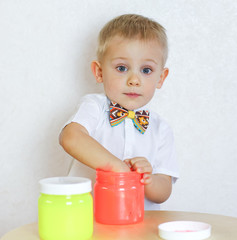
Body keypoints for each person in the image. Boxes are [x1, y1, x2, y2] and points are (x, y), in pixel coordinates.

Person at [59, 14, 179, 210]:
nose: (134, 79)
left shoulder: (161, 129)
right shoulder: (94, 106)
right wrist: (117, 167)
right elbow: (71, 138)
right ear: (99, 72)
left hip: (138, 224)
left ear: (161, 78)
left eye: (146, 70)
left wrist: (147, 179)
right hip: (87, 220)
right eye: (122, 68)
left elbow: (163, 192)